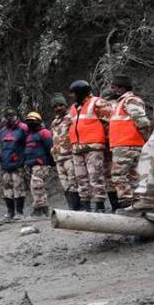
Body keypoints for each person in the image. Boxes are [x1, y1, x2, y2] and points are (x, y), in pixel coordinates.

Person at [68, 80, 113, 212]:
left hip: (93, 146)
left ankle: (100, 206)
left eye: (73, 93)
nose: (71, 96)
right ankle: (85, 206)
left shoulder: (98, 103)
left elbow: (109, 124)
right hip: (77, 148)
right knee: (80, 178)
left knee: (96, 177)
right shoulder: (74, 107)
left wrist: (107, 143)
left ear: (80, 93)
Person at [108, 74, 150, 210]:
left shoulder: (130, 100)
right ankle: (136, 206)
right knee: (132, 178)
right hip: (125, 145)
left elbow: (143, 122)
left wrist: (145, 138)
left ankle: (127, 206)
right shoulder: (120, 103)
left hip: (127, 146)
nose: (111, 90)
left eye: (114, 87)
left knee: (118, 176)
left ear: (121, 88)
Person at [50, 94, 79, 210]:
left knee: (73, 183)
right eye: (55, 106)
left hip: (69, 156)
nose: (58, 108)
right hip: (58, 158)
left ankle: (77, 209)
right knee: (65, 185)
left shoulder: (71, 118)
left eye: (61, 105)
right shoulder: (54, 122)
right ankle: (71, 208)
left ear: (65, 105)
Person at [0, 108, 28, 220]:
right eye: (7, 116)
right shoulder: (3, 131)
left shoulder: (23, 128)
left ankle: (19, 212)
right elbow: (0, 146)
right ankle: (10, 212)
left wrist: (24, 159)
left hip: (18, 165)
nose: (9, 117)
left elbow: (28, 144)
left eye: (12, 115)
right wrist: (1, 157)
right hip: (6, 165)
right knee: (7, 189)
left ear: (16, 116)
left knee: (18, 188)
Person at [23, 112, 54, 216]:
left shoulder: (44, 132)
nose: (30, 123)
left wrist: (50, 162)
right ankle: (44, 208)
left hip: (41, 164)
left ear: (38, 122)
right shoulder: (28, 135)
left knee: (36, 185)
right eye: (28, 121)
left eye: (32, 121)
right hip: (31, 165)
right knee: (36, 186)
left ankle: (39, 208)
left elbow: (50, 148)